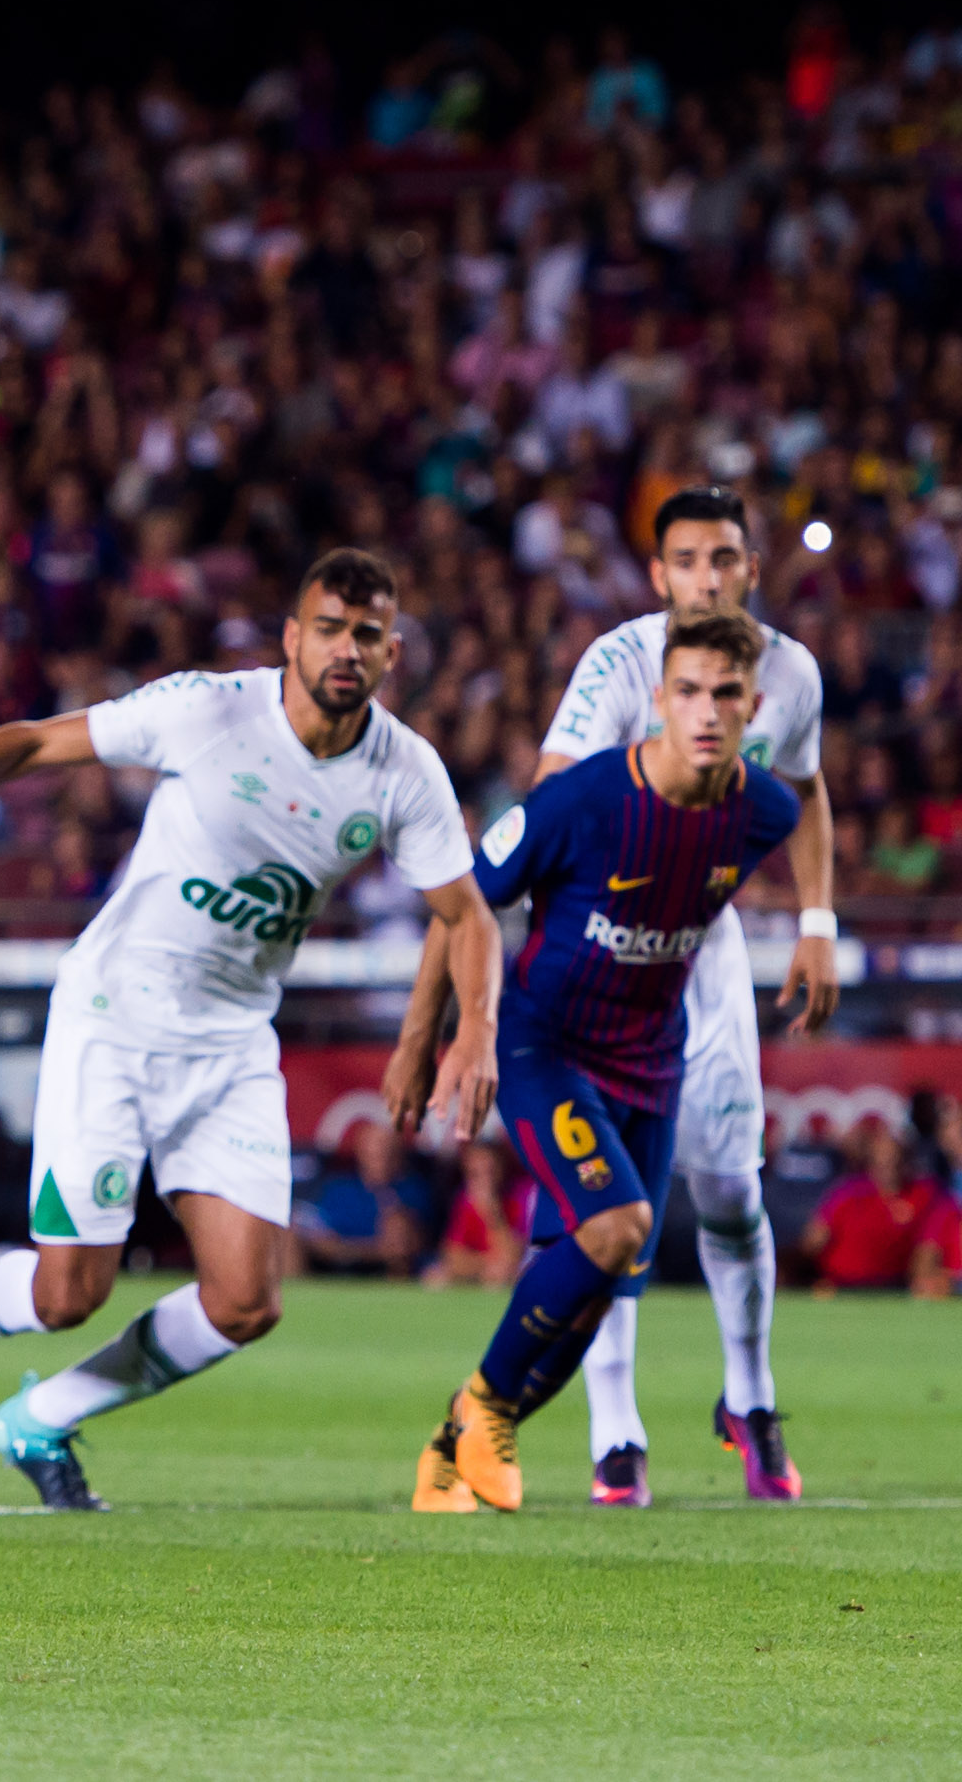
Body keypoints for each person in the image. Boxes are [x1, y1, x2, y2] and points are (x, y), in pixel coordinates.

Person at [0, 550, 500, 1510]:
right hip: (115, 1016)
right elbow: (37, 742)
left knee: (247, 1302)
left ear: (392, 652)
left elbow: (469, 915)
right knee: (67, 1293)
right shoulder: (209, 710)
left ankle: (44, 1417)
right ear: (291, 637)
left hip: (234, 1038)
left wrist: (465, 1033)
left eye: (367, 635)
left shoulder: (403, 771)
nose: (346, 649)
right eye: (328, 628)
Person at [395, 608, 799, 1514]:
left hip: (652, 1065)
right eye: (687, 691)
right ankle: (486, 1408)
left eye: (725, 695)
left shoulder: (764, 812)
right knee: (614, 1225)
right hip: (547, 1045)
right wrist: (440, 1035)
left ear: (752, 707)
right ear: (657, 699)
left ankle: (449, 1451)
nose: (705, 711)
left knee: (607, 1276)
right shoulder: (579, 801)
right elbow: (462, 904)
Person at [529, 487, 836, 1505]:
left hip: (704, 952)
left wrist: (818, 922)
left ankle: (748, 1395)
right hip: (607, 956)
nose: (710, 576)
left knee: (733, 1190)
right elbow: (555, 782)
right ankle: (615, 1426)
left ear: (753, 567)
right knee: (614, 1198)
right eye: (690, 559)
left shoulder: (788, 672)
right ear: (660, 576)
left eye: (727, 559)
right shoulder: (621, 664)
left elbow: (807, 784)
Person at [799, 1123, 958, 1293]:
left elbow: (929, 1243)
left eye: (895, 1159)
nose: (888, 1166)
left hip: (893, 1286)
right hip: (840, 1284)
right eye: (881, 1160)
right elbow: (814, 1240)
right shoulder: (849, 1192)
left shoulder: (925, 1193)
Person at [295, 1120, 436, 1277]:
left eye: (386, 1150)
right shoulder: (339, 1189)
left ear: (398, 1154)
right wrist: (369, 1251)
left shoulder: (413, 1189)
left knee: (398, 1230)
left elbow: (418, 1241)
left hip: (394, 1269)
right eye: (374, 1150)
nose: (381, 1156)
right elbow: (321, 1239)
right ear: (361, 1152)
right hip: (340, 1263)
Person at [421, 1138, 530, 1289]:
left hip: (515, 1272)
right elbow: (452, 1255)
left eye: (490, 1170)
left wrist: (492, 1213)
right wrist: (485, 1266)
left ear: (503, 1167)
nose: (486, 1179)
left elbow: (514, 1257)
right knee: (435, 1277)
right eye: (476, 1173)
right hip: (485, 1271)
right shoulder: (465, 1198)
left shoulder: (522, 1195)